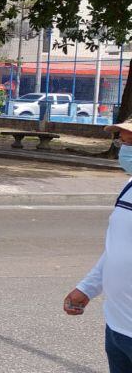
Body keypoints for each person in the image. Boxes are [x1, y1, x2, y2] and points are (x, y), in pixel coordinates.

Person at [64, 118, 132, 373]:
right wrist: (87, 287)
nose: (125, 150)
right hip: (117, 327)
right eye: (123, 142)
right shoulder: (128, 187)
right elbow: (116, 248)